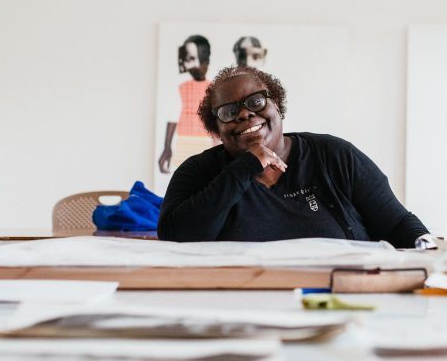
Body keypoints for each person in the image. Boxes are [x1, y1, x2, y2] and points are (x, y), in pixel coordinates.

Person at [157, 66, 430, 248]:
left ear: (277, 104)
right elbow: (177, 240)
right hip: (240, 309)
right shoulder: (198, 172)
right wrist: (243, 168)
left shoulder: (335, 155)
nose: (244, 114)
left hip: (340, 302)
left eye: (256, 102)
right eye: (228, 112)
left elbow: (397, 224)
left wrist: (431, 252)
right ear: (216, 127)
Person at [158, 35, 217, 174]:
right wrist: (167, 146)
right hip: (184, 142)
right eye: (189, 59)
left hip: (206, 143)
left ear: (206, 59)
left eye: (195, 58)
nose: (194, 65)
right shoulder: (181, 87)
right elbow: (173, 116)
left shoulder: (215, 88)